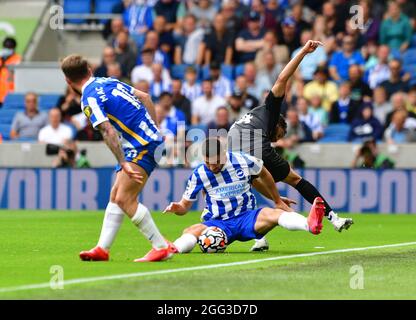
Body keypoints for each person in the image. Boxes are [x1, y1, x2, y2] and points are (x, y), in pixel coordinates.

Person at [228, 40, 353, 253]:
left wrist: (273, 196)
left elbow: (257, 178)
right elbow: (282, 78)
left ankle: (258, 239)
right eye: (280, 135)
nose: (277, 140)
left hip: (232, 150)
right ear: (278, 124)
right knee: (296, 180)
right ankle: (333, 218)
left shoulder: (251, 117)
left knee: (245, 189)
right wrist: (303, 52)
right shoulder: (271, 110)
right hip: (252, 144)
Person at [60, 54, 173, 262]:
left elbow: (107, 131)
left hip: (142, 145)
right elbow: (145, 97)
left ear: (68, 81)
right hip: (146, 141)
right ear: (90, 70)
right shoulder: (108, 80)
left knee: (124, 198)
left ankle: (160, 247)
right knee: (116, 195)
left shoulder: (89, 98)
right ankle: (102, 248)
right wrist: (155, 128)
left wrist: (122, 162)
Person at [164, 137, 326, 254]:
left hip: (247, 217)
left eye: (215, 162)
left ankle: (310, 225)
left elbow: (264, 174)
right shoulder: (199, 173)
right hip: (218, 223)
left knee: (275, 213)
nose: (212, 166)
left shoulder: (243, 160)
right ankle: (171, 250)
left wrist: (276, 200)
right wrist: (177, 207)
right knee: (192, 230)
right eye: (207, 162)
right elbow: (184, 206)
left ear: (224, 154)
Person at [0, 37, 21, 106]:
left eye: (9, 47)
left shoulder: (18, 59)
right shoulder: (1, 57)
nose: (7, 49)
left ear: (13, 48)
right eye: (5, 46)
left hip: (11, 93)